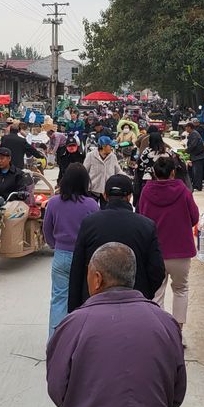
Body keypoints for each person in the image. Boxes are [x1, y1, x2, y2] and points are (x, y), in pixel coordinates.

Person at [46, 243, 186, 407]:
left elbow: (57, 388)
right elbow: (177, 391)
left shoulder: (73, 325)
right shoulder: (165, 323)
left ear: (97, 279)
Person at [67, 174, 165, 313]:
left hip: (94, 303)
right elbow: (157, 270)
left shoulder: (89, 223)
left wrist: (74, 311)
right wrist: (145, 294)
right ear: (129, 196)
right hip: (135, 305)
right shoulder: (146, 225)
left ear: (105, 195)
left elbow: (77, 270)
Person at [139, 157, 200, 335]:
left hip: (155, 252)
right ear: (173, 172)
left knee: (157, 292)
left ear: (154, 173)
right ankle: (177, 332)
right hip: (181, 251)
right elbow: (194, 218)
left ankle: (159, 334)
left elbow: (141, 218)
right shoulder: (183, 190)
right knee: (181, 289)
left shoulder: (146, 192)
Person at [41, 164, 99, 338]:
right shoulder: (91, 204)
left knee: (59, 299)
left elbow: (47, 230)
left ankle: (55, 342)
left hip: (61, 256)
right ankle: (80, 340)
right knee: (85, 299)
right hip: (85, 259)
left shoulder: (53, 203)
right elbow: (96, 232)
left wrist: (54, 244)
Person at [84, 136, 123, 202]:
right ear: (103, 146)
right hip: (92, 190)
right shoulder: (90, 155)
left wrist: (126, 178)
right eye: (110, 146)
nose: (111, 148)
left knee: (106, 210)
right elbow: (84, 172)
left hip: (107, 190)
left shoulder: (113, 157)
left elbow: (118, 171)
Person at [184, 121, 204, 192]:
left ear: (189, 127)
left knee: (197, 172)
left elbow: (193, 145)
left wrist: (187, 150)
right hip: (196, 156)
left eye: (186, 127)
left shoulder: (194, 134)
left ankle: (198, 187)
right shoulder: (192, 133)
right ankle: (195, 185)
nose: (186, 129)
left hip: (198, 156)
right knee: (195, 172)